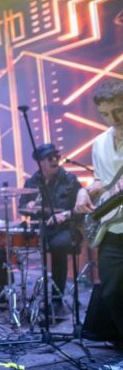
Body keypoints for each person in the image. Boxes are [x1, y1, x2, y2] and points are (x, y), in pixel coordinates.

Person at [75, 79, 123, 340]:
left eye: (119, 111)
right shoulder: (99, 142)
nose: (113, 119)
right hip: (111, 230)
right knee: (112, 293)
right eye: (105, 114)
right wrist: (84, 191)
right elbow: (101, 181)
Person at [14, 143, 82, 318]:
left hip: (65, 228)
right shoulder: (32, 182)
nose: (54, 160)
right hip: (40, 228)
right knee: (6, 240)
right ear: (40, 162)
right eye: (49, 157)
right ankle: (8, 295)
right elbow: (22, 207)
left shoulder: (70, 180)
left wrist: (64, 215)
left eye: (56, 157)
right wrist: (28, 205)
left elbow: (82, 209)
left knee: (58, 245)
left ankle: (57, 299)